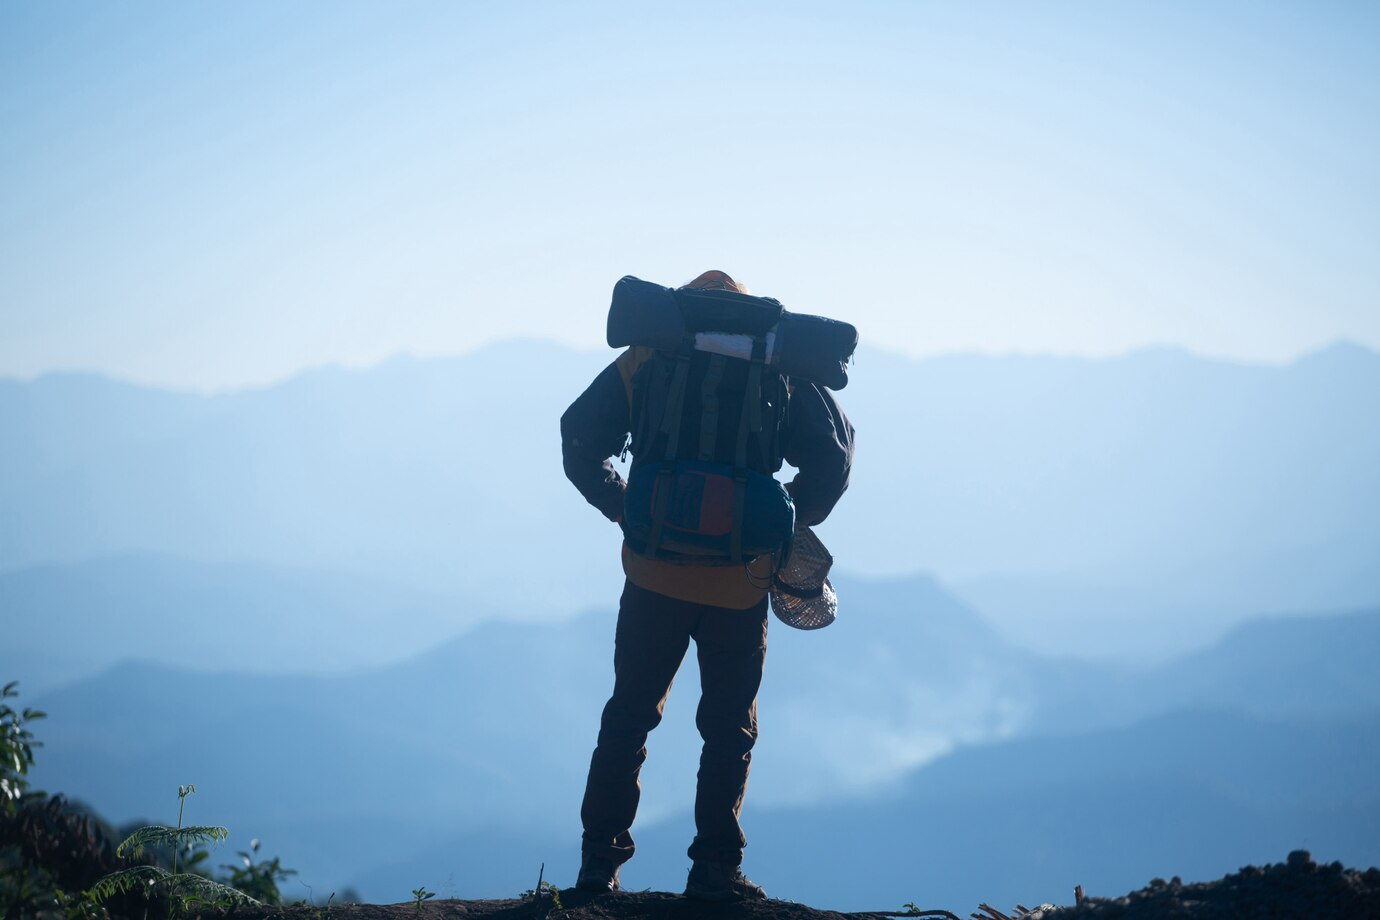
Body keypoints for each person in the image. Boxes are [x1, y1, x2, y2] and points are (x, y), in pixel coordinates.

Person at [560, 270, 854, 900]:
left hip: (652, 575)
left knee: (628, 718)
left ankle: (597, 866)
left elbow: (578, 437)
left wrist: (624, 507)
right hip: (741, 583)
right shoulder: (778, 365)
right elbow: (833, 459)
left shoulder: (648, 356)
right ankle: (716, 870)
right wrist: (781, 520)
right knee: (728, 729)